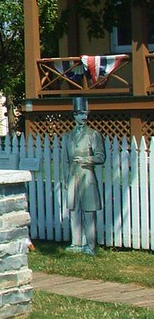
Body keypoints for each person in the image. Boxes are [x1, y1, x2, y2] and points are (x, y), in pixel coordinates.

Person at [63, 98, 105, 256]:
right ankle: (76, 242)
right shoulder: (68, 136)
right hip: (73, 177)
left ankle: (90, 245)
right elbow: (64, 160)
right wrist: (66, 179)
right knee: (74, 210)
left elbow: (100, 157)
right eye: (80, 114)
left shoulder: (93, 135)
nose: (83, 118)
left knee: (89, 211)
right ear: (74, 116)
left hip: (87, 177)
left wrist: (86, 160)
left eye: (85, 114)